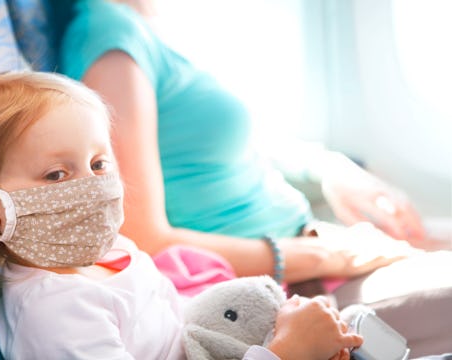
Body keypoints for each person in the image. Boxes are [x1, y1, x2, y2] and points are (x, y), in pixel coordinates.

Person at [59, 0, 452, 355]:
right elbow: (144, 237)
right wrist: (329, 255)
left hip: (312, 255)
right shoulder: (109, 39)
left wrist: (329, 168)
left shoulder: (149, 23)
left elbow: (228, 142)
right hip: (280, 297)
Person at [0, 71, 363, 359]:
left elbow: (172, 327)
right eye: (56, 174)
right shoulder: (56, 310)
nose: (94, 187)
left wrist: (277, 325)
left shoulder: (111, 252)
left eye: (99, 165)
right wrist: (287, 351)